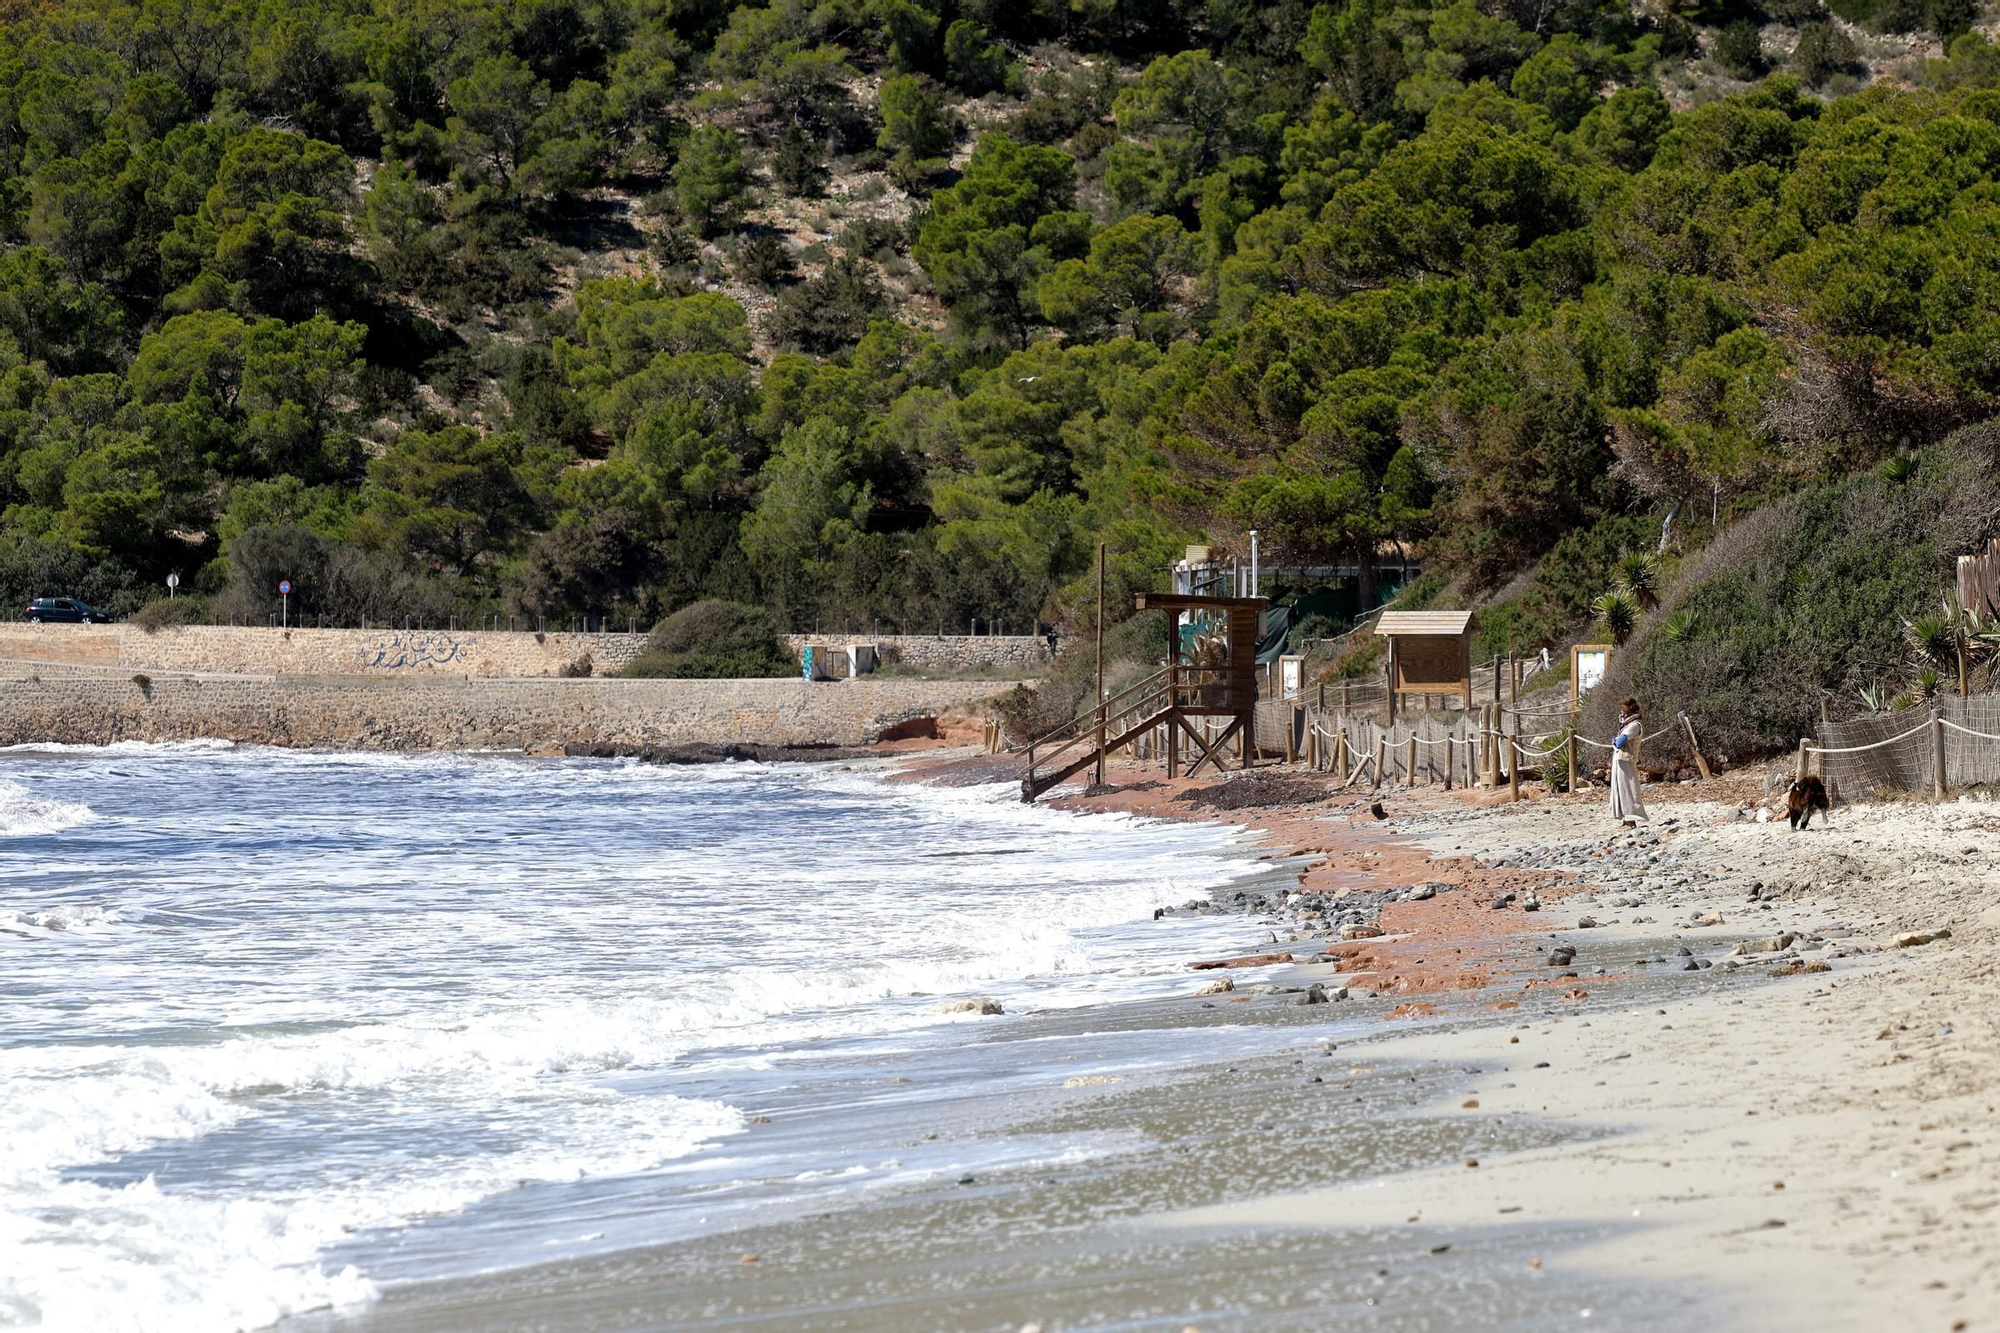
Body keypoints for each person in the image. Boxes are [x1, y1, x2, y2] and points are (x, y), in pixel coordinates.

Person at [1608, 696, 1648, 827]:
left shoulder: (1634, 726)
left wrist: (1614, 740)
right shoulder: (1629, 726)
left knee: (1628, 788)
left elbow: (1619, 742)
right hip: (1621, 759)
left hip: (1626, 759)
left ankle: (1631, 818)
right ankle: (1625, 818)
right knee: (1620, 788)